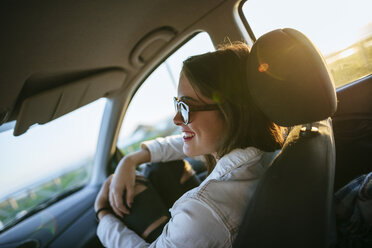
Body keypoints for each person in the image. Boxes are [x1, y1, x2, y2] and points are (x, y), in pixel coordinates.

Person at [94, 42, 285, 247]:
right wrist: (131, 160)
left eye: (186, 107)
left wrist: (103, 214)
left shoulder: (205, 209)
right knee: (164, 167)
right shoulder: (263, 150)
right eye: (177, 104)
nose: (177, 119)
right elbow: (187, 141)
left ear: (229, 110)